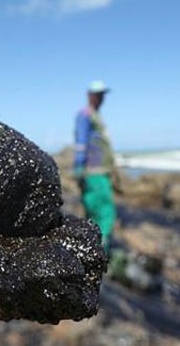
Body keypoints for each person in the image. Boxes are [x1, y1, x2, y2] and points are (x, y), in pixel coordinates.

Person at [73, 80, 121, 250]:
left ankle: (94, 249)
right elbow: (81, 143)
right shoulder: (85, 115)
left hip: (101, 173)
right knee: (103, 211)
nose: (101, 98)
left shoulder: (96, 116)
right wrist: (79, 168)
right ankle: (99, 251)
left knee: (96, 211)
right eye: (98, 95)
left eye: (102, 95)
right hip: (94, 173)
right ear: (90, 95)